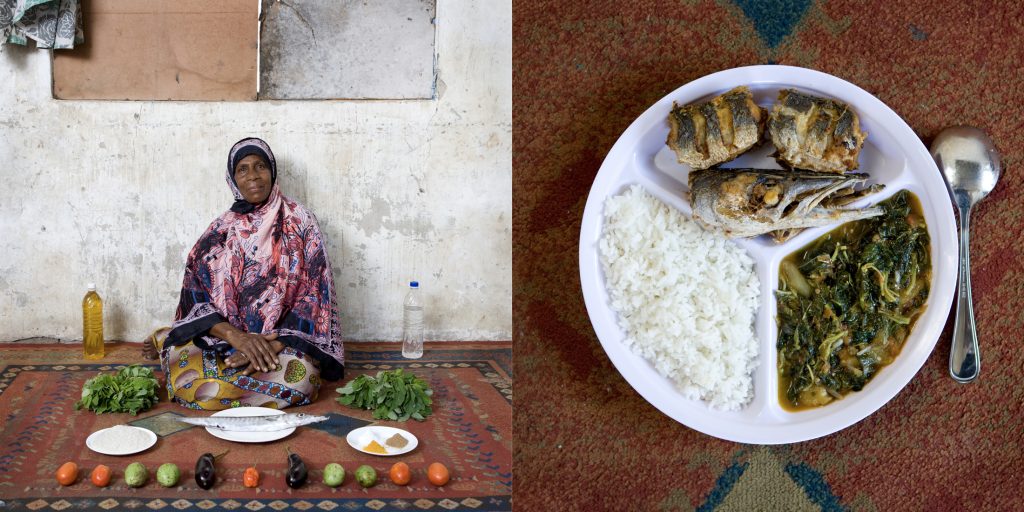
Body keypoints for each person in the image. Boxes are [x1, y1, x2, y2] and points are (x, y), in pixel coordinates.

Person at [144, 137, 344, 410]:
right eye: (243, 169)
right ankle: (172, 342)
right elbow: (195, 295)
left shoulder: (301, 221)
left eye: (261, 166)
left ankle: (228, 384)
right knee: (188, 385)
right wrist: (238, 338)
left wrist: (270, 345)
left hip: (282, 342)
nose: (253, 176)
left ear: (272, 172)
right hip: (223, 340)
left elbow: (315, 294)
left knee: (302, 382)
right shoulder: (221, 230)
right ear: (233, 178)